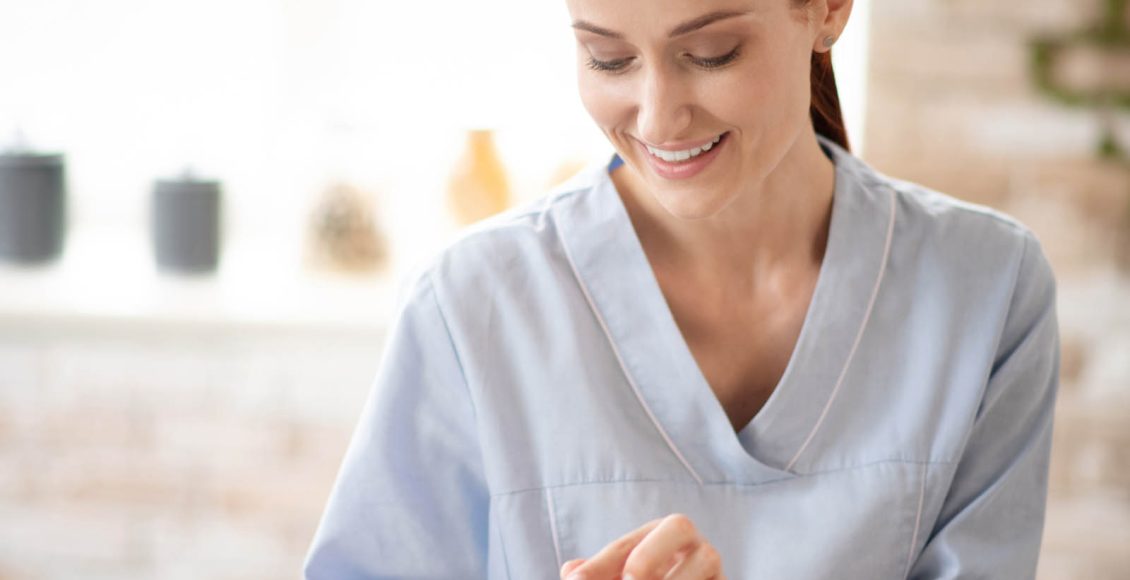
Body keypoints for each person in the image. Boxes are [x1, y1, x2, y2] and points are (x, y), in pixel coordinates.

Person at [304, 0, 1060, 578]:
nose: (660, 116)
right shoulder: (470, 305)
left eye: (711, 53)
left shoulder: (986, 291)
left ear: (828, 9)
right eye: (607, 59)